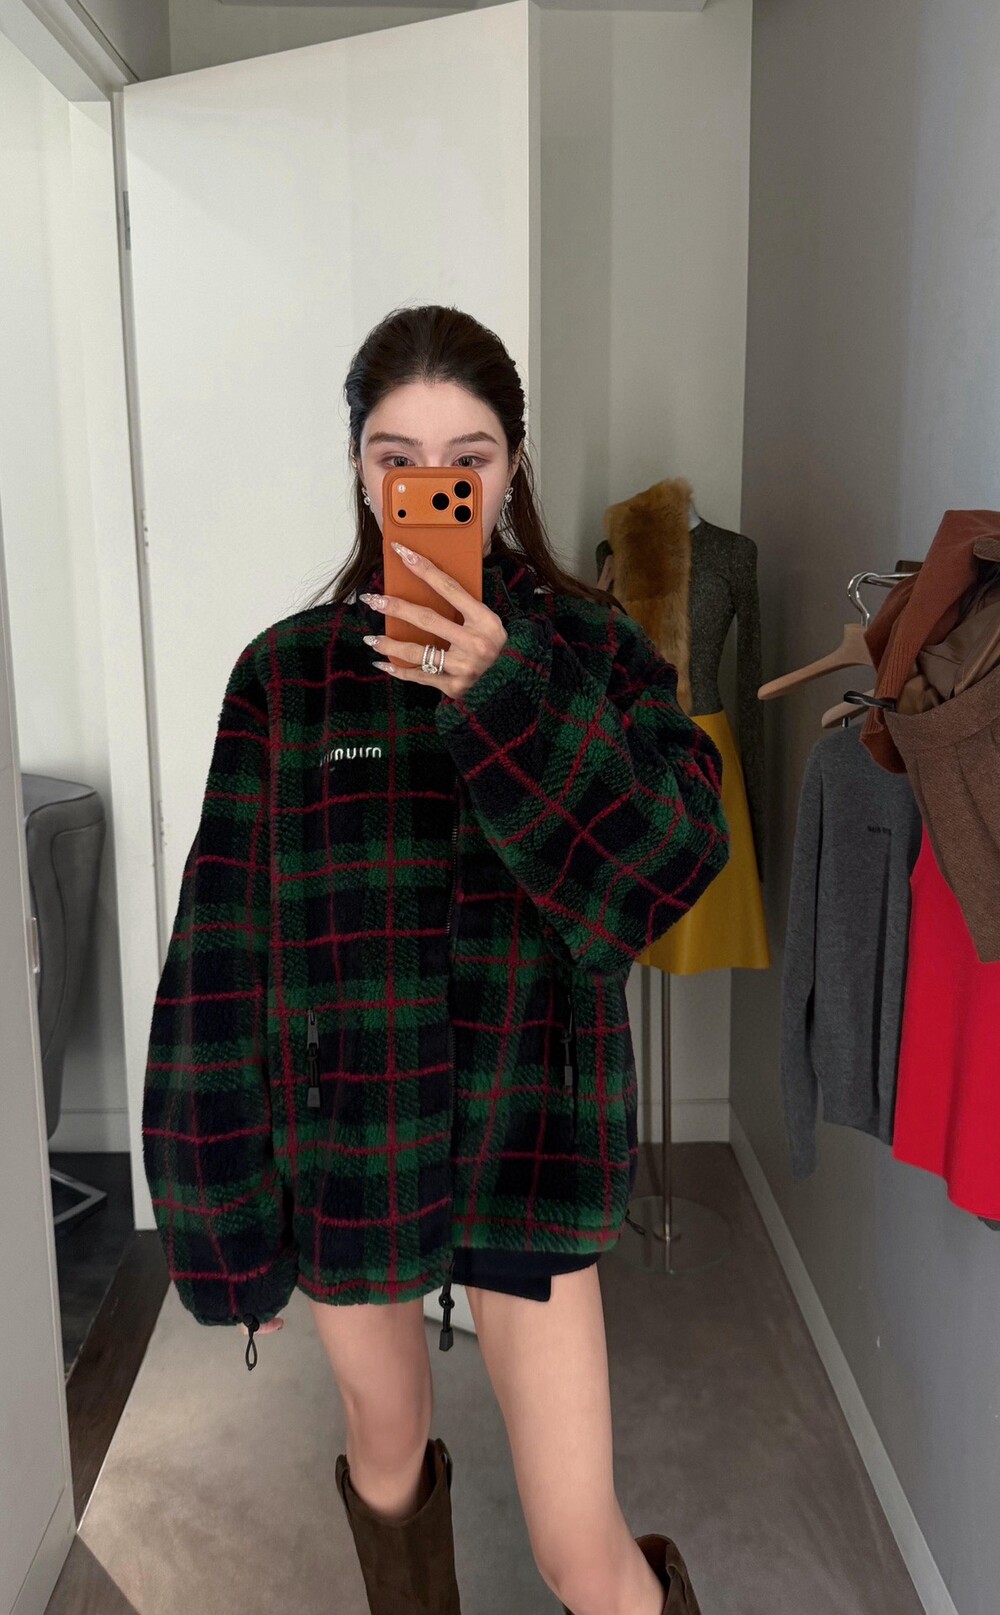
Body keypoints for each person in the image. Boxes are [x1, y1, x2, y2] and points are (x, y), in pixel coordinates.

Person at [143, 303, 728, 1615]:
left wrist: (504, 695)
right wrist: (224, 1225)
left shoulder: (591, 653)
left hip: (532, 1140)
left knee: (583, 1547)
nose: (431, 486)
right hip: (356, 1151)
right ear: (360, 471)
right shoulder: (287, 679)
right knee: (388, 1455)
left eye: (466, 458)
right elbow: (219, 957)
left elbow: (669, 867)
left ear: (511, 470)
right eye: (397, 457)